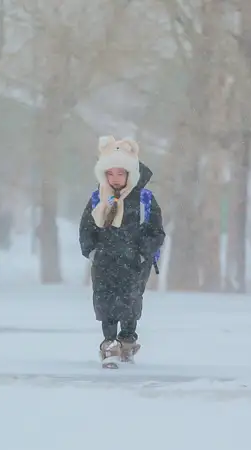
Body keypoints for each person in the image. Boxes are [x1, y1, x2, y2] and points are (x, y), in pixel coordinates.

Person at [79, 136, 166, 367]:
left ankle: (127, 341)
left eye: (121, 173)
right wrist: (93, 252)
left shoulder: (144, 200)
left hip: (135, 262)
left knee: (130, 300)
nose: (115, 179)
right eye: (110, 173)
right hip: (105, 260)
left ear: (130, 174)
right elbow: (87, 228)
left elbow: (156, 231)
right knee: (104, 301)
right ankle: (109, 342)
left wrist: (143, 253)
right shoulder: (99, 198)